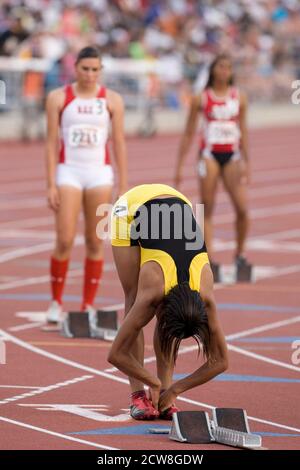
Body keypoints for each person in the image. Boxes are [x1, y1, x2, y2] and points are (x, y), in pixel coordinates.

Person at [108, 183, 228, 420]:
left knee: (170, 330)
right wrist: (149, 380)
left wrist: (174, 389)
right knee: (133, 300)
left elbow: (221, 361)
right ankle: (138, 396)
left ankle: (163, 394)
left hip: (176, 199)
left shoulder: (205, 294)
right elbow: (115, 354)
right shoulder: (154, 287)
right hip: (131, 210)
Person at [44, 46, 127, 325]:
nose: (90, 74)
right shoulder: (59, 98)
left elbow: (118, 143)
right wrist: (50, 184)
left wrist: (123, 184)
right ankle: (56, 301)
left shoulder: (111, 100)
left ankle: (87, 304)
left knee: (95, 241)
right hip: (69, 172)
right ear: (75, 68)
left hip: (99, 175)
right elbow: (51, 143)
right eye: (85, 69)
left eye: (95, 69)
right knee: (64, 239)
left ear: (100, 70)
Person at [175, 54, 250, 271]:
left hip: (232, 155)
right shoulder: (202, 98)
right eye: (220, 67)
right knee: (207, 207)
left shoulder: (239, 97)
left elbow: (243, 130)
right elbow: (189, 132)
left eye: (228, 67)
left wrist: (248, 162)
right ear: (213, 70)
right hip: (208, 155)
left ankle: (240, 253)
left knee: (242, 208)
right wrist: (179, 165)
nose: (224, 71)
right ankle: (208, 258)